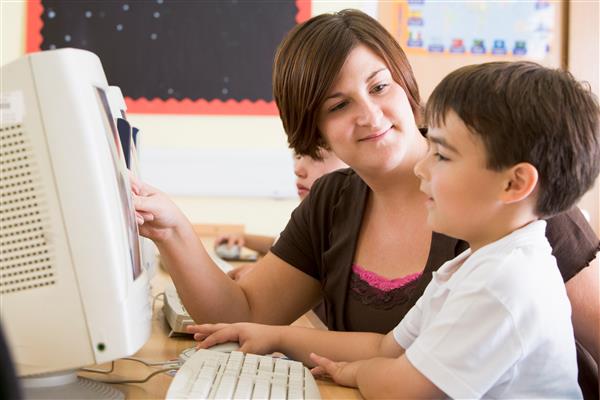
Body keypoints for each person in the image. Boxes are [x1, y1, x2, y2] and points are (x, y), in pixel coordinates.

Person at [132, 9, 599, 391]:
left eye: (379, 87)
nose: (370, 115)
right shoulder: (333, 201)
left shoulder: (517, 211)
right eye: (338, 106)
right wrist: (173, 230)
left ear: (405, 84)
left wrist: (358, 374)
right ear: (313, 131)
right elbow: (245, 315)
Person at [214, 150, 347, 280]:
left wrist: (263, 272)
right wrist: (244, 238)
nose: (298, 169)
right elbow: (282, 244)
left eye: (316, 156)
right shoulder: (310, 217)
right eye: (298, 156)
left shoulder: (340, 230)